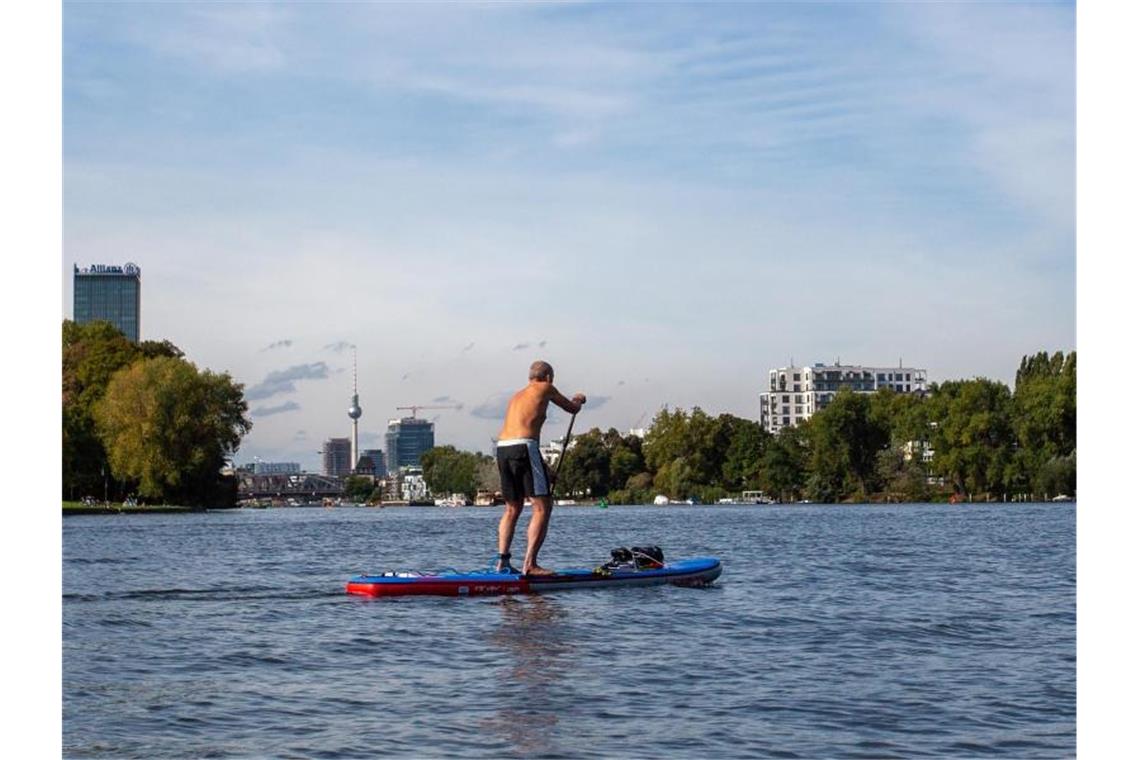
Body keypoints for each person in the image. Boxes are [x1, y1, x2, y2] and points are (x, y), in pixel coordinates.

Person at [494, 360, 586, 575]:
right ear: (548, 377)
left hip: (502, 449)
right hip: (525, 447)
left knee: (512, 508)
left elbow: (519, 436)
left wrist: (545, 470)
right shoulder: (545, 387)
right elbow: (571, 408)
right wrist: (579, 400)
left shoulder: (517, 396)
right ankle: (530, 565)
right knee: (542, 507)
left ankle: (502, 563)